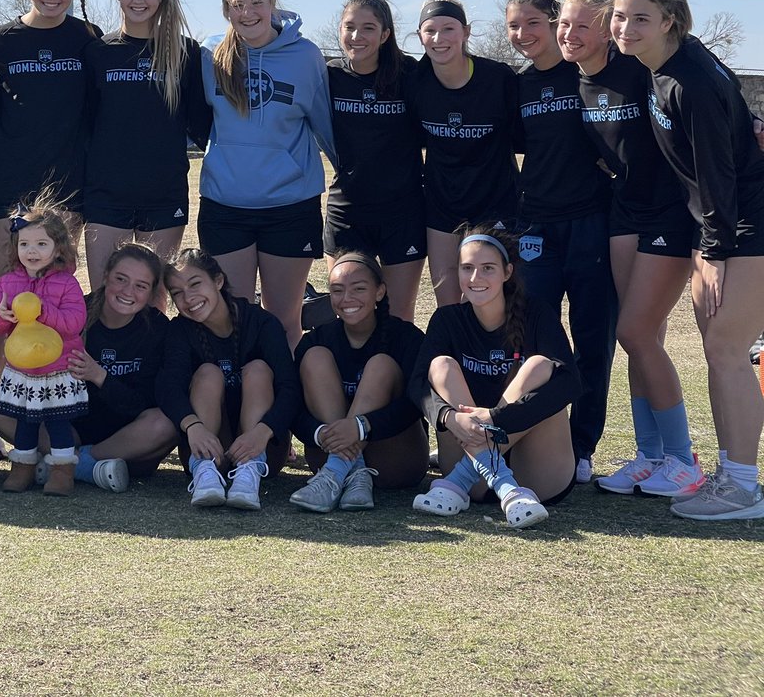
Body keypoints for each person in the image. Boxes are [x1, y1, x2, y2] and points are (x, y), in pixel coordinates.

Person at [612, 0, 764, 520]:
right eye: (620, 16)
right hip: (720, 228)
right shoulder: (668, 66)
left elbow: (716, 172)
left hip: (745, 227)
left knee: (727, 349)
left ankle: (744, 487)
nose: (625, 27)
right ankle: (729, 475)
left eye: (640, 18)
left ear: (669, 22)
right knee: (718, 351)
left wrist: (717, 250)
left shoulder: (688, 78)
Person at [559, 0, 703, 498]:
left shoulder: (641, 68)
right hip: (622, 211)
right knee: (642, 339)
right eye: (565, 24)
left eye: (585, 24)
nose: (571, 35)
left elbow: (700, 107)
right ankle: (651, 455)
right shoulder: (572, 82)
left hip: (669, 211)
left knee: (636, 333)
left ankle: (684, 460)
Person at [504, 0, 616, 484]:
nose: (524, 35)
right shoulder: (518, 86)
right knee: (536, 341)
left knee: (594, 337)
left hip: (593, 224)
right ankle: (531, 441)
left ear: (555, 23)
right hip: (536, 228)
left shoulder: (592, 72)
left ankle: (582, 446)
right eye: (515, 26)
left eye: (534, 24)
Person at [199, 0, 336, 348]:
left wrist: (347, 172)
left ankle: (285, 400)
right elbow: (196, 118)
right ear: (226, 11)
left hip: (290, 205)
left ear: (272, 5)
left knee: (283, 318)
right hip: (226, 205)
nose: (248, 12)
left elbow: (324, 122)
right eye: (237, 5)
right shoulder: (209, 53)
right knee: (233, 315)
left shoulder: (305, 55)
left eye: (256, 2)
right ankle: (240, 401)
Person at [411, 225, 578, 529]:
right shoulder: (447, 319)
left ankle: (471, 478)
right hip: (472, 478)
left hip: (538, 475)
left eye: (487, 268)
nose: (475, 278)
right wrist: (450, 418)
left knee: (539, 366)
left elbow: (570, 382)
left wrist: (496, 418)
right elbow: (418, 383)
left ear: (507, 272)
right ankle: (505, 487)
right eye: (467, 268)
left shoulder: (536, 313)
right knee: (441, 366)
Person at [82, 0, 210, 284]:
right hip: (105, 196)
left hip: (163, 194)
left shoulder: (185, 54)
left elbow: (204, 125)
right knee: (104, 298)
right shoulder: (97, 52)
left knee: (153, 300)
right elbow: (84, 125)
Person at [0, 0, 102, 279]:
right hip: (11, 186)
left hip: (67, 187)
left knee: (54, 289)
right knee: (8, 291)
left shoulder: (87, 39)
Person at [157, 248, 299, 510]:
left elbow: (291, 388)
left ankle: (249, 473)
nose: (188, 298)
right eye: (177, 293)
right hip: (205, 443)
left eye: (195, 284)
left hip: (261, 445)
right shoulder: (180, 329)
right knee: (208, 372)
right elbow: (169, 387)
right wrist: (193, 426)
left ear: (218, 281)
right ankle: (205, 474)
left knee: (257, 369)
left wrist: (262, 431)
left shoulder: (261, 322)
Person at [290, 252, 428, 512]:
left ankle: (336, 471)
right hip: (325, 449)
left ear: (379, 292)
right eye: (337, 290)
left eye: (359, 289)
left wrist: (362, 426)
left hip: (394, 460)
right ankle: (350, 472)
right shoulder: (316, 339)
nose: (347, 299)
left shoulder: (406, 337)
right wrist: (320, 433)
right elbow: (293, 405)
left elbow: (416, 404)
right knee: (315, 358)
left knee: (381, 365)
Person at [408, 0, 519, 307]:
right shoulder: (415, 82)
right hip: (442, 206)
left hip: (496, 205)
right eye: (430, 31)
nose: (439, 39)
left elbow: (527, 135)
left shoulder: (498, 78)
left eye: (449, 29)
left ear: (466, 32)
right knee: (449, 306)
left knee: (496, 304)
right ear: (419, 36)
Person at [324, 0, 424, 322]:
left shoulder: (410, 74)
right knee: (349, 314)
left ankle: (397, 374)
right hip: (347, 211)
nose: (357, 36)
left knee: (397, 315)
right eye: (350, 27)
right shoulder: (328, 76)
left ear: (385, 35)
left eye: (368, 28)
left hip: (402, 212)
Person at [0, 196, 87, 496]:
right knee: (25, 423)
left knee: (57, 423)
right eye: (24, 244)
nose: (32, 251)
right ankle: (22, 467)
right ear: (15, 248)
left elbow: (74, 322)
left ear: (58, 249)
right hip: (21, 371)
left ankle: (63, 470)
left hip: (58, 371)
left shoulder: (67, 284)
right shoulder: (7, 283)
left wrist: (43, 311)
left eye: (41, 244)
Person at [66, 243, 176, 490]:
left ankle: (73, 463)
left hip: (130, 439)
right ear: (105, 276)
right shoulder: (75, 312)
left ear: (151, 293)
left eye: (141, 286)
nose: (128, 291)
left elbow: (146, 403)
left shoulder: (158, 329)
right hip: (73, 428)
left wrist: (99, 376)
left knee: (166, 422)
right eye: (121, 279)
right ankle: (76, 462)